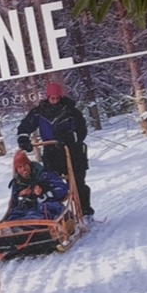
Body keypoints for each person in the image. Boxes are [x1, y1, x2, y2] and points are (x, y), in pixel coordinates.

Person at [17, 79, 93, 217]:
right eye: (52, 98)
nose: (55, 100)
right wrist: (23, 139)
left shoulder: (71, 111)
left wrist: (70, 137)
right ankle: (54, 213)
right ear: (48, 97)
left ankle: (85, 212)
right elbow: (25, 126)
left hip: (72, 152)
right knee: (49, 185)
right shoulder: (39, 112)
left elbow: (82, 131)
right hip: (51, 152)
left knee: (77, 184)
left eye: (58, 98)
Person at [5, 149, 68, 220]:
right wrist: (20, 195)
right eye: (19, 167)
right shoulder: (17, 183)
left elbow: (62, 188)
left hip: (46, 207)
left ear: (29, 165)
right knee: (13, 217)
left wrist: (44, 191)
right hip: (26, 212)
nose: (23, 169)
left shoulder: (44, 175)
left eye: (25, 165)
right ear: (17, 170)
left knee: (47, 210)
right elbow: (14, 204)